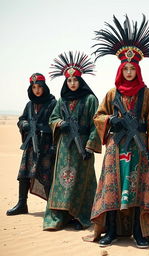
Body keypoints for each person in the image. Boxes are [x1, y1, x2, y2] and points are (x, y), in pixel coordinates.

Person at [90, 15, 149, 248]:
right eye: (125, 68)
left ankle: (139, 232)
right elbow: (97, 116)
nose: (128, 72)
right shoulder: (111, 94)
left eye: (132, 68)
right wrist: (110, 121)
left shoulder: (147, 95)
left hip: (139, 148)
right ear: (121, 70)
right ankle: (112, 232)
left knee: (139, 191)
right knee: (112, 189)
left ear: (137, 70)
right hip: (115, 147)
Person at [43, 52, 102, 231]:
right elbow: (52, 118)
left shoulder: (90, 99)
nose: (72, 83)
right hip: (64, 147)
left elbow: (97, 123)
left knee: (81, 181)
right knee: (62, 181)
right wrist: (61, 123)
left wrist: (90, 145)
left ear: (80, 81)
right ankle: (59, 217)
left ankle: (81, 217)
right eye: (69, 81)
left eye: (75, 80)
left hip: (82, 147)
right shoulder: (61, 100)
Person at [6, 73, 56, 216]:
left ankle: (51, 207)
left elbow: (55, 123)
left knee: (46, 175)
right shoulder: (29, 105)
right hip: (30, 145)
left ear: (44, 87)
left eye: (39, 86)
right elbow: (21, 119)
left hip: (46, 145)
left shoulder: (53, 103)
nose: (37, 90)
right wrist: (24, 124)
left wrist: (51, 141)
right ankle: (22, 204)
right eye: (34, 87)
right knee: (23, 174)